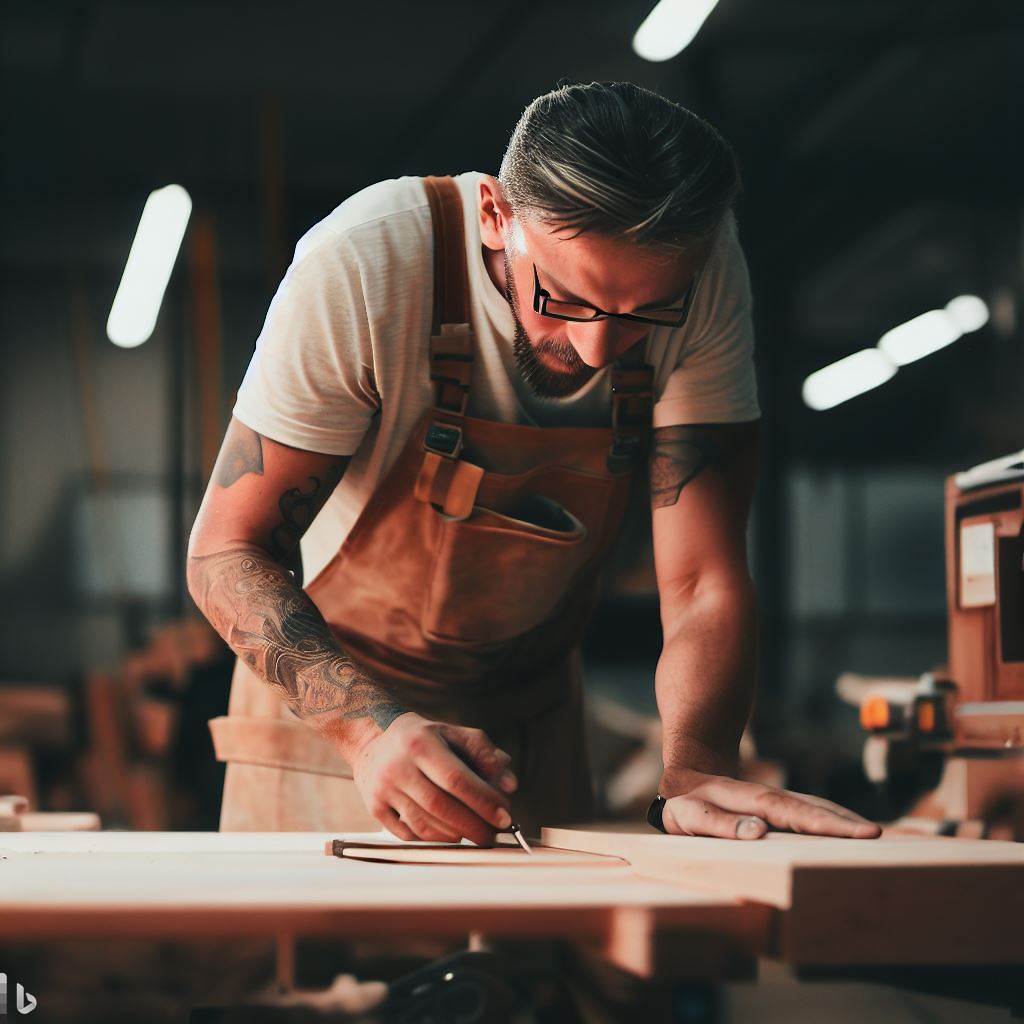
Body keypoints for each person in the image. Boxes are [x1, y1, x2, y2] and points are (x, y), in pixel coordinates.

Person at [188, 81, 880, 844]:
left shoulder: (704, 275)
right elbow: (227, 549)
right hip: (331, 717)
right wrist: (367, 732)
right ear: (495, 213)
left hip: (530, 720)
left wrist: (697, 762)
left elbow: (702, 579)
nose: (596, 352)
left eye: (645, 314)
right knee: (315, 963)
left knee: (543, 963)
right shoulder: (369, 261)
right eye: (566, 299)